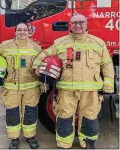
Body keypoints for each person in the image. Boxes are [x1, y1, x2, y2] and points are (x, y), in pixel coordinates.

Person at [32, 13, 114, 149]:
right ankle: (64, 144)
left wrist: (108, 85)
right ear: (70, 25)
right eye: (75, 23)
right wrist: (36, 65)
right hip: (66, 89)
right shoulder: (60, 42)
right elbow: (45, 53)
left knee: (90, 116)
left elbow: (107, 65)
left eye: (81, 22)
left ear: (86, 24)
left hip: (90, 90)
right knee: (64, 116)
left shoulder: (98, 43)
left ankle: (88, 143)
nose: (78, 25)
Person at [0, 22, 42, 149]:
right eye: (19, 30)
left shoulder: (36, 47)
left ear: (28, 32)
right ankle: (14, 139)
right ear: (15, 32)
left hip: (31, 88)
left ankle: (30, 136)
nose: (22, 32)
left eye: (24, 30)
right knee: (12, 114)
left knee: (30, 113)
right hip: (11, 88)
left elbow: (41, 63)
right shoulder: (5, 45)